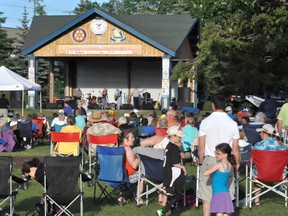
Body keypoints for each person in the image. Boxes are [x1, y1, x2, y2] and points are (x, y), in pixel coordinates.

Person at [198, 95, 240, 216]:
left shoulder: (205, 122)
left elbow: (201, 144)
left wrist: (201, 161)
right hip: (227, 159)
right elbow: (235, 146)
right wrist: (236, 163)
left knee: (207, 195)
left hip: (211, 157)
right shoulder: (232, 123)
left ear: (213, 105)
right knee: (226, 191)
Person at [252, 124, 288, 205]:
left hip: (260, 175)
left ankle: (256, 200)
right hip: (280, 175)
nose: (260, 134)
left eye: (261, 132)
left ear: (265, 133)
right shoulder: (282, 146)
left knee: (255, 170)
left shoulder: (258, 146)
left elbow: (252, 159)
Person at [156, 125, 187, 216]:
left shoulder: (168, 146)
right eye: (179, 136)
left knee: (172, 194)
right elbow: (174, 163)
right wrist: (183, 167)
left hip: (168, 172)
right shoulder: (174, 147)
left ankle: (174, 213)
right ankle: (163, 211)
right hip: (174, 173)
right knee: (177, 194)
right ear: (173, 136)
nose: (180, 138)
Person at [203, 143, 235, 215]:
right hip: (225, 192)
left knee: (219, 211)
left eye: (218, 153)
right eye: (215, 153)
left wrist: (210, 168)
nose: (216, 155)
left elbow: (205, 173)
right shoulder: (229, 164)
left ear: (225, 154)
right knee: (226, 211)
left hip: (218, 192)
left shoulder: (219, 165)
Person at [118, 129, 141, 204]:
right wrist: (140, 156)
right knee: (144, 174)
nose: (134, 139)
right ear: (125, 139)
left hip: (118, 177)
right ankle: (139, 198)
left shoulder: (117, 148)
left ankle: (122, 196)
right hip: (129, 177)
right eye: (132, 137)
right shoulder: (127, 149)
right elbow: (134, 165)